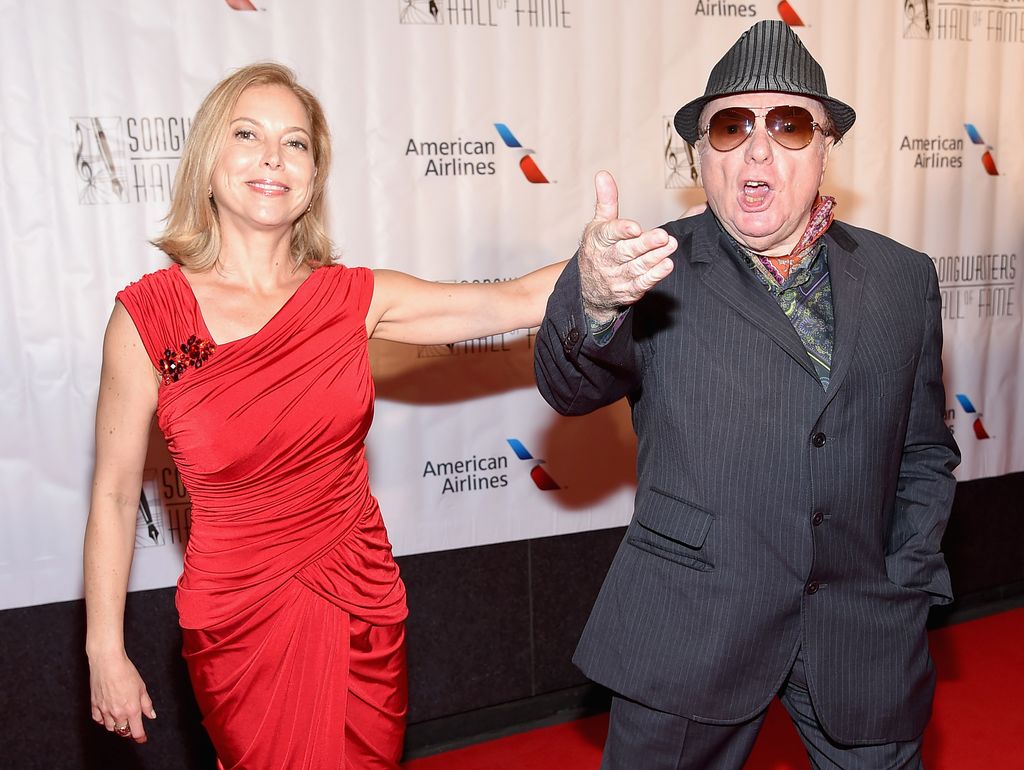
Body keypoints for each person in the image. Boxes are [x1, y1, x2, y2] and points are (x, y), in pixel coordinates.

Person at [83, 62, 563, 768]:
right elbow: (117, 494)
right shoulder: (146, 318)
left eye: (296, 142)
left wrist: (624, 261)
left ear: (313, 177)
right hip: (235, 622)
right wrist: (104, 648)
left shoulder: (350, 299)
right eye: (248, 134)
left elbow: (514, 300)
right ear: (209, 159)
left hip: (358, 605)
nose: (274, 156)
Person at [534, 20, 959, 770]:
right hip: (693, 624)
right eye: (731, 126)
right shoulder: (649, 268)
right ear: (701, 155)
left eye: (789, 124)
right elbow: (569, 387)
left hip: (861, 629)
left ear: (826, 146)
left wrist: (907, 582)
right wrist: (595, 301)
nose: (758, 149)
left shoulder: (903, 279)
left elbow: (924, 451)